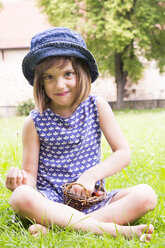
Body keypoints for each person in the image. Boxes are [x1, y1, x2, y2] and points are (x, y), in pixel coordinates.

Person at [5, 27, 157, 240]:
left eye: (68, 74)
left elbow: (123, 153)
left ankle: (59, 228)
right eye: (49, 77)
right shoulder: (34, 122)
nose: (60, 85)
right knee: (20, 197)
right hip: (50, 203)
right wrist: (19, 183)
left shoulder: (97, 106)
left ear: (81, 73)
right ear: (40, 82)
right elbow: (30, 176)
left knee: (147, 195)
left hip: (93, 200)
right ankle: (112, 230)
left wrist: (90, 177)